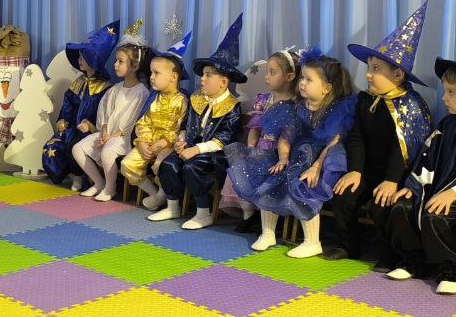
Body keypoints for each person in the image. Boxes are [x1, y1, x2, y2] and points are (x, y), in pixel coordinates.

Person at [377, 56, 456, 293]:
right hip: (434, 188)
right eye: (445, 91)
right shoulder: (446, 124)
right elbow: (428, 156)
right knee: (401, 207)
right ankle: (413, 260)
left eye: (451, 92)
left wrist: (454, 193)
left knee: (435, 217)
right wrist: (413, 186)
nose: (444, 98)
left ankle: (452, 269)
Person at [328, 2, 433, 261]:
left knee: (383, 203)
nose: (368, 75)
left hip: (398, 175)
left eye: (376, 69)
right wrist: (355, 170)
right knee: (344, 194)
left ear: (397, 75)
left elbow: (404, 148)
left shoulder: (411, 105)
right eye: (369, 68)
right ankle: (348, 245)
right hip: (368, 169)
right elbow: (356, 136)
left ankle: (389, 253)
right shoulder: (365, 100)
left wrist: (391, 180)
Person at [228, 53, 355, 254]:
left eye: (308, 79)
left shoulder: (336, 111)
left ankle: (312, 242)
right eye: (302, 77)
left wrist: (316, 167)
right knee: (271, 176)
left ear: (326, 88)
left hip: (323, 160)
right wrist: (283, 158)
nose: (302, 82)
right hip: (295, 156)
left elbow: (333, 144)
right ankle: (267, 232)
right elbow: (286, 137)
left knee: (303, 186)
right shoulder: (296, 108)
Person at [151, 15, 246, 231]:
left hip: (215, 155)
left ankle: (203, 212)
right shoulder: (196, 99)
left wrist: (196, 150)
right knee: (168, 163)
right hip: (191, 148)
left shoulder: (232, 106)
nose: (202, 79)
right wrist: (182, 141)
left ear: (223, 82)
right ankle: (173, 206)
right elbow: (186, 126)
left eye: (208, 75)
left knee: (192, 166)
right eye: (202, 74)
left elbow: (223, 140)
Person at [222, 49, 302, 234]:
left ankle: (275, 217)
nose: (266, 77)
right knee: (241, 170)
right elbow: (255, 127)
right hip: (261, 148)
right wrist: (251, 147)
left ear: (289, 76)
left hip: (281, 153)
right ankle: (248, 214)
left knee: (272, 179)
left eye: (272, 72)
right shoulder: (264, 100)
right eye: (267, 72)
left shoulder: (297, 105)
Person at [72, 23, 149, 201]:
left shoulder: (141, 92)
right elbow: (105, 112)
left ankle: (110, 188)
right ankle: (99, 182)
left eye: (120, 61)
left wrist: (112, 136)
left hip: (124, 137)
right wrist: (105, 131)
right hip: (108, 134)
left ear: (134, 66)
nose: (115, 65)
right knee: (78, 148)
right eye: (116, 60)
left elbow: (133, 120)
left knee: (107, 151)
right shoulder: (115, 89)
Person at [42, 21, 118, 189]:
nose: (79, 60)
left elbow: (105, 114)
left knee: (73, 146)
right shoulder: (78, 82)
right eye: (79, 57)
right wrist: (62, 120)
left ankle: (79, 176)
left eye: (83, 57)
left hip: (90, 131)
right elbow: (68, 104)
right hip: (72, 128)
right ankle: (68, 173)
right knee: (52, 146)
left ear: (93, 60)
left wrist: (91, 126)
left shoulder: (105, 88)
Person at [119, 32, 192, 209]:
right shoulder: (154, 98)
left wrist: (163, 142)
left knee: (161, 164)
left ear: (173, 77)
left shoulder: (182, 100)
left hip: (168, 145)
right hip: (148, 143)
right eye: (151, 72)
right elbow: (144, 121)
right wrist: (143, 142)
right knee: (127, 164)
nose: (151, 77)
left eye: (156, 73)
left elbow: (180, 128)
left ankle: (163, 194)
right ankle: (155, 194)